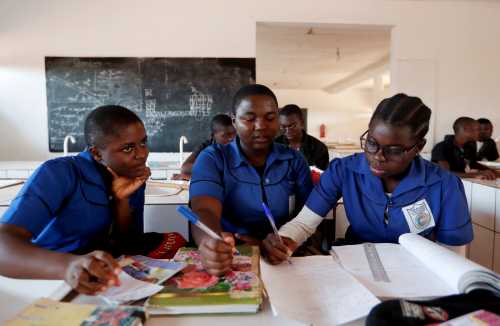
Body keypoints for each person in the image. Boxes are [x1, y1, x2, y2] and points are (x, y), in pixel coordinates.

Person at [262, 93, 473, 264]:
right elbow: (304, 224)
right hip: (356, 266)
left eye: (394, 150)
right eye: (371, 143)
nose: (377, 157)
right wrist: (284, 241)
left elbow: (453, 259)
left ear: (418, 147)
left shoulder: (444, 186)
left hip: (415, 276)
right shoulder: (344, 170)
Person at [0, 105, 151, 295]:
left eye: (143, 143)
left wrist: (122, 201)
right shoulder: (59, 173)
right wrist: (69, 266)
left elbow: (129, 246)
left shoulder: (130, 175)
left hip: (102, 282)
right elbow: (3, 244)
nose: (142, 154)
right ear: (97, 154)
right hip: (50, 282)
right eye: (128, 148)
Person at [189, 84, 313, 275]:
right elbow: (203, 208)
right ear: (234, 120)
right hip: (233, 255)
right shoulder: (213, 158)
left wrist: (287, 240)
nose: (261, 126)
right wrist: (210, 241)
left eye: (270, 118)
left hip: (283, 256)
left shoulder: (294, 161)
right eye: (249, 118)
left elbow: (308, 215)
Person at [432, 117, 496, 180]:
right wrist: (476, 174)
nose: (481, 133)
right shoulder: (442, 147)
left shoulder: (468, 147)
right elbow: (445, 173)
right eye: (478, 129)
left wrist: (491, 171)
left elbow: (473, 164)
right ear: (466, 129)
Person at [275, 104, 329, 170]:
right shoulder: (274, 145)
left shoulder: (319, 148)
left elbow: (323, 176)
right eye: (283, 126)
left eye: (292, 125)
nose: (287, 130)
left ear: (302, 123)